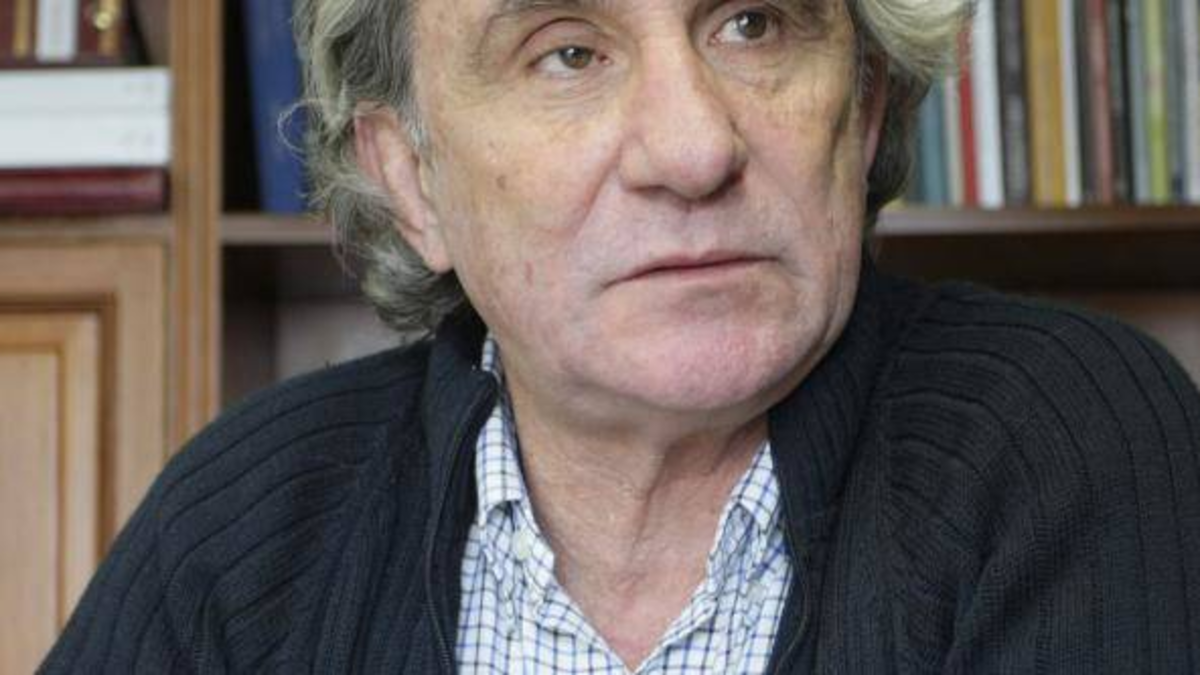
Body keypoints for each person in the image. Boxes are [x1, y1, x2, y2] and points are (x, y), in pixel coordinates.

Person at [42, 0, 1200, 672]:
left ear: (864, 111)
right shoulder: (248, 523)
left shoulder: (1065, 435)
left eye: (752, 23)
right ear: (412, 181)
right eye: (568, 51)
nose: (695, 150)